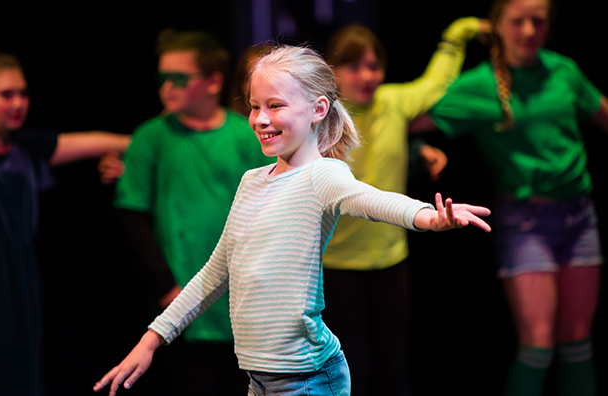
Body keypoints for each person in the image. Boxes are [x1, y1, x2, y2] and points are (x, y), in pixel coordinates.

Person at [94, 44, 492, 396]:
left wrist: (430, 217)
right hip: (258, 378)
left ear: (318, 109)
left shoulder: (324, 176)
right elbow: (215, 273)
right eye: (254, 106)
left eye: (275, 105)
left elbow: (374, 200)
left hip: (305, 377)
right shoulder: (252, 182)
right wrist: (151, 339)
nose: (260, 119)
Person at [410, 0, 608, 394]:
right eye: (518, 21)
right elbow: (406, 121)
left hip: (580, 214)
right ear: (497, 26)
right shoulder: (479, 84)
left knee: (578, 340)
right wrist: (419, 151)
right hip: (526, 221)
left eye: (539, 21)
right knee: (537, 342)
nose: (529, 31)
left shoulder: (562, 70)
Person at [0, 39, 130, 396]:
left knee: (12, 365)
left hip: (13, 273)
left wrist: (128, 159)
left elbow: (107, 141)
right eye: (6, 94)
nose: (18, 103)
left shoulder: (29, 148)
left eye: (23, 93)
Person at [321, 17, 486, 395]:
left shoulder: (394, 101)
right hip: (337, 266)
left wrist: (457, 33)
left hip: (392, 261)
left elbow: (436, 82)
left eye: (374, 65)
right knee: (349, 367)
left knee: (392, 365)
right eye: (354, 66)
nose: (367, 75)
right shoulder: (323, 118)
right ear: (332, 73)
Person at [109, 29, 273, 394]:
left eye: (179, 78)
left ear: (214, 81)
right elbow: (132, 214)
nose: (167, 86)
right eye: (162, 78)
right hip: (181, 296)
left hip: (244, 297)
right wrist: (165, 286)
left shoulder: (246, 135)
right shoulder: (151, 137)